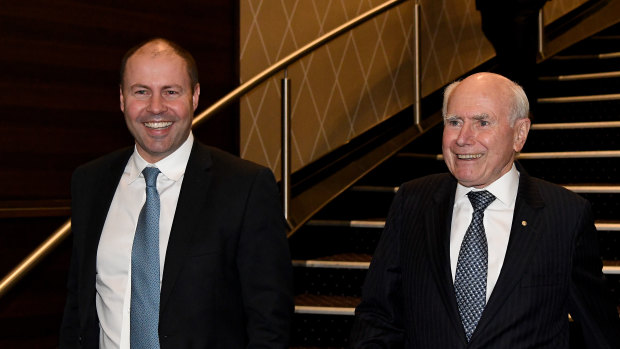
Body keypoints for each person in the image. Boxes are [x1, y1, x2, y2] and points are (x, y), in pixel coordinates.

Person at [350, 72, 620, 348]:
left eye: (482, 122)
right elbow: (378, 316)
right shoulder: (412, 202)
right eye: (454, 122)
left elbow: (600, 331)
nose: (463, 138)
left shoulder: (565, 216)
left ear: (519, 134)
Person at [59, 38, 294, 348]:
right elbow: (78, 309)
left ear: (195, 96)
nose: (156, 107)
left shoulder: (245, 187)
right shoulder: (89, 182)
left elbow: (270, 323)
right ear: (121, 98)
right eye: (141, 91)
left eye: (171, 91)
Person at [476, 0, 548, 117]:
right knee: (506, 50)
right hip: (492, 5)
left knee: (520, 51)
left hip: (522, 6)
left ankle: (524, 107)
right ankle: (517, 104)